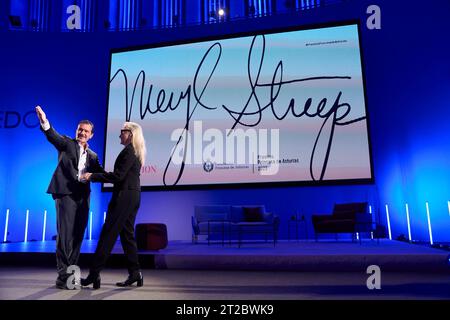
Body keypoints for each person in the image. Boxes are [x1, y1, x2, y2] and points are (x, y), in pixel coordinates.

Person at [35, 106, 104, 289]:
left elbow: (100, 174)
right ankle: (62, 275)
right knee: (65, 236)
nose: (82, 133)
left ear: (91, 135)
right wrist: (44, 122)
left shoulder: (93, 156)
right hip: (65, 194)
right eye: (80, 129)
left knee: (77, 236)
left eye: (85, 131)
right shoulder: (67, 143)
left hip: (82, 198)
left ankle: (71, 274)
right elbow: (52, 136)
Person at [80, 122, 146, 289]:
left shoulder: (130, 151)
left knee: (108, 234)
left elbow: (117, 176)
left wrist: (91, 176)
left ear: (130, 134)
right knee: (127, 235)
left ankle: (94, 274)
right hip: (132, 195)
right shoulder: (133, 151)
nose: (119, 135)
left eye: (122, 132)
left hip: (124, 197)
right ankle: (135, 272)